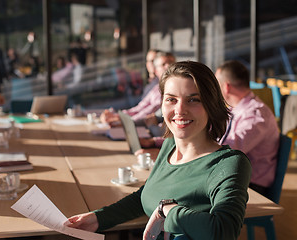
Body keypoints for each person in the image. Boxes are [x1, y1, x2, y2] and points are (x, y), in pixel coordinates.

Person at [66, 61, 252, 240]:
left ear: (211, 106)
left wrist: (168, 210)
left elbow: (224, 232)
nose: (180, 110)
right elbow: (146, 195)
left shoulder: (228, 163)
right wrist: (99, 218)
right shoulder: (169, 145)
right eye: (171, 99)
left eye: (193, 100)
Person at [216, 60, 279, 196]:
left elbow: (230, 150)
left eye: (216, 85)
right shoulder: (237, 109)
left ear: (226, 87)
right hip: (236, 177)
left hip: (251, 186)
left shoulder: (256, 114)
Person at [100, 51, 175, 126]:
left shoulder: (171, 89)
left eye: (171, 62)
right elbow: (141, 107)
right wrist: (119, 116)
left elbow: (150, 110)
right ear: (156, 70)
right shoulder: (155, 88)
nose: (168, 66)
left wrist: (124, 121)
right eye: (163, 64)